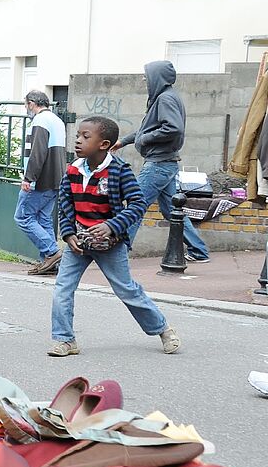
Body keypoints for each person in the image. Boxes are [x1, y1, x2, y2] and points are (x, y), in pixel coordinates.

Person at [49, 116, 180, 357]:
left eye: (85, 137)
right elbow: (65, 205)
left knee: (126, 290)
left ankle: (163, 329)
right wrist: (68, 235)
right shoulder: (72, 170)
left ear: (104, 144)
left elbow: (137, 204)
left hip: (111, 244)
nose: (78, 140)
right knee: (62, 289)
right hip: (79, 243)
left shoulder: (119, 171)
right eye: (77, 135)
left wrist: (112, 226)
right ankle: (65, 340)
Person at [112, 60, 210, 263]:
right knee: (172, 210)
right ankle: (199, 251)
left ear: (157, 77)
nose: (144, 79)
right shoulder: (165, 97)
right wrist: (124, 141)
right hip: (166, 163)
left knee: (135, 205)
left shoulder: (165, 99)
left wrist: (145, 139)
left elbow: (173, 128)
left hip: (158, 164)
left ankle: (118, 252)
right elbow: (147, 129)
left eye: (146, 76)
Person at [16, 90, 68, 276]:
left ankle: (52, 252)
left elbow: (37, 152)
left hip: (40, 180)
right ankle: (50, 263)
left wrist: (29, 178)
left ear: (31, 103)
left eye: (26, 105)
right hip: (56, 178)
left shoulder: (40, 121)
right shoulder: (57, 120)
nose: (26, 109)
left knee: (23, 217)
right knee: (43, 218)